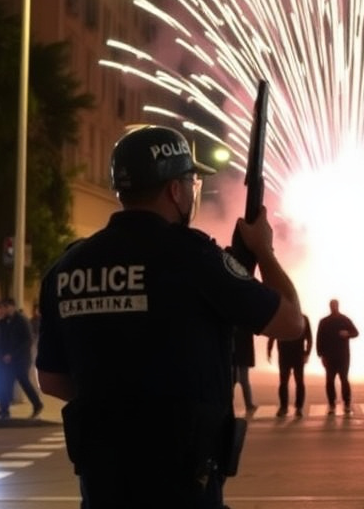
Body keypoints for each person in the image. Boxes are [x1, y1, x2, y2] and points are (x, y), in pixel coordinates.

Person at [35, 125, 305, 509]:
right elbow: (291, 321)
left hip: (103, 482)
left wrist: (120, 405)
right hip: (183, 482)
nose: (193, 191)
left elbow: (50, 378)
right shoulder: (194, 258)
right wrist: (262, 251)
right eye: (191, 182)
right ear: (175, 190)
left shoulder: (67, 267)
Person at [0, 297, 44, 419]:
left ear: (11, 307)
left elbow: (28, 341)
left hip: (21, 359)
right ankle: (4, 409)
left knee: (23, 381)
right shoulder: (5, 321)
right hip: (9, 359)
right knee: (6, 383)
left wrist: (12, 354)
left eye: (5, 307)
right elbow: (4, 339)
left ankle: (37, 404)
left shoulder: (22, 321)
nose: (3, 310)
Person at [315, 298, 359, 415]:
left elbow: (356, 332)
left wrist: (348, 334)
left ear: (338, 306)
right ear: (330, 306)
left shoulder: (344, 320)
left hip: (343, 355)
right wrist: (321, 355)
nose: (333, 307)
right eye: (332, 305)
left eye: (335, 305)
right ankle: (332, 404)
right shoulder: (324, 321)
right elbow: (319, 339)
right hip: (329, 356)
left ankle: (347, 403)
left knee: (344, 379)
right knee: (330, 380)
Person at [267, 315, 313, 417]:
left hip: (297, 355)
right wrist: (269, 349)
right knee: (284, 382)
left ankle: (298, 407)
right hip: (285, 355)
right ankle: (284, 407)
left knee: (298, 382)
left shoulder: (302, 318)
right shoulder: (282, 316)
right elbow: (273, 334)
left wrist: (307, 353)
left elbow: (309, 337)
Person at [232, 329, 259, 413]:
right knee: (243, 381)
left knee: (236, 381)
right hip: (240, 355)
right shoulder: (246, 325)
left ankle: (248, 404)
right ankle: (249, 404)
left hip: (236, 355)